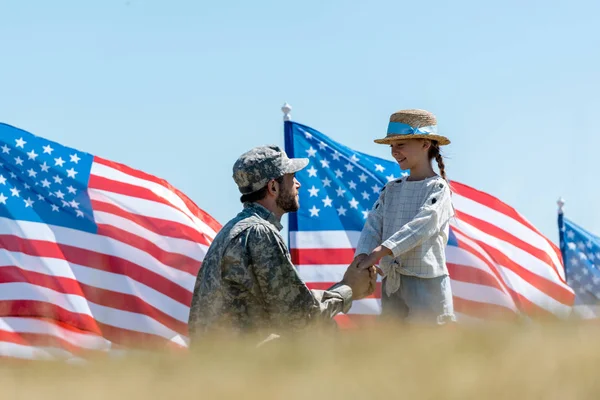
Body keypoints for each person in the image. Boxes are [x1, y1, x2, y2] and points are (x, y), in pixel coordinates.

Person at [188, 145, 376, 343]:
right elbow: (301, 318)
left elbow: (290, 304)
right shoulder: (260, 232)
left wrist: (345, 288)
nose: (298, 184)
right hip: (242, 366)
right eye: (291, 177)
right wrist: (348, 288)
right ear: (273, 187)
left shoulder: (234, 229)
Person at [353, 109, 456, 325]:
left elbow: (422, 225)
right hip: (393, 284)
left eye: (400, 144)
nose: (394, 151)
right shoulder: (391, 189)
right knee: (394, 348)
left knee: (429, 345)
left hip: (427, 284)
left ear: (425, 144)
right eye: (391, 146)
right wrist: (362, 256)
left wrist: (380, 252)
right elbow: (373, 225)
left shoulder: (438, 188)